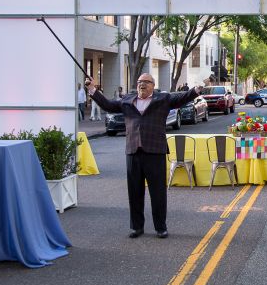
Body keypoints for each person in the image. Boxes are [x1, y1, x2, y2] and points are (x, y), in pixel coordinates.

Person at [87, 73, 208, 239]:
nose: (141, 85)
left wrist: (197, 89)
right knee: (134, 192)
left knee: (158, 193)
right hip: (133, 151)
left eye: (145, 82)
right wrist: (92, 89)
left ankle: (161, 227)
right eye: (139, 82)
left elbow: (182, 97)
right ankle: (136, 227)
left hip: (155, 151)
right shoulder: (127, 100)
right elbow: (107, 105)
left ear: (152, 84)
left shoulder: (163, 99)